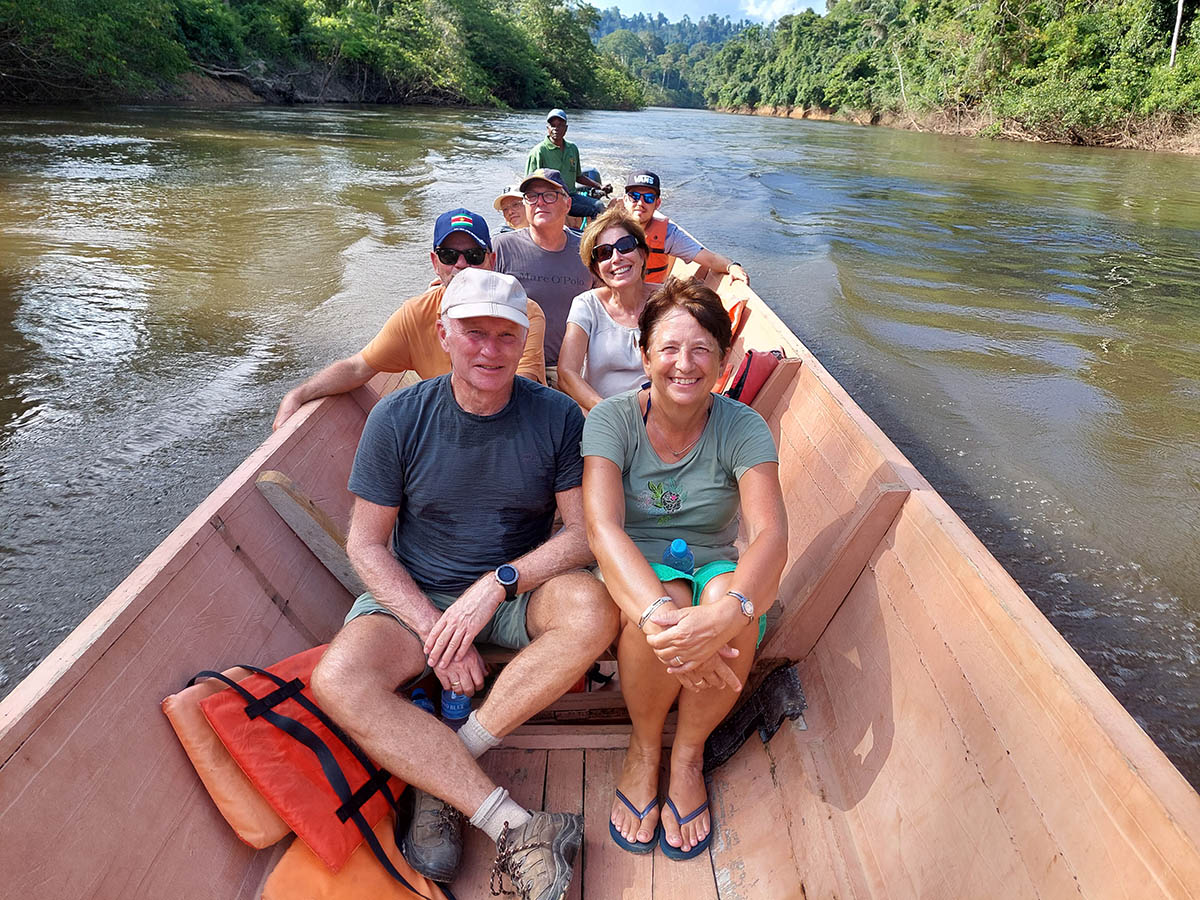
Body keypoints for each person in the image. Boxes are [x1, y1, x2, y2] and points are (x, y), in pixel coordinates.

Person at [310, 267, 618, 897]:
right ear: (443, 334)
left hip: (514, 590)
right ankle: (511, 822)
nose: (489, 350)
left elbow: (584, 534)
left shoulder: (557, 416)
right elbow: (365, 544)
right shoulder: (397, 418)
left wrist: (500, 584)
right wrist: (435, 629)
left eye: (504, 336)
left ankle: (443, 765)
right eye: (472, 333)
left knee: (594, 611)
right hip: (415, 594)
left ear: (522, 339)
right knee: (336, 680)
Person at [581, 278, 788, 861]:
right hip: (634, 566)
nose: (684, 364)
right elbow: (602, 529)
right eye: (669, 348)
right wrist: (662, 616)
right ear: (645, 354)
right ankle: (645, 750)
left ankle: (687, 756)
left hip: (713, 560)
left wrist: (728, 613)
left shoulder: (743, 426)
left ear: (723, 360)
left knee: (730, 596)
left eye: (702, 350)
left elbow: (770, 535)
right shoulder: (612, 422)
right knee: (669, 598)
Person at [273, 208, 545, 430]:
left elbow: (517, 392)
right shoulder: (416, 314)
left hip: (516, 427)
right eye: (449, 255)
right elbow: (358, 368)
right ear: (434, 262)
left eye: (473, 255)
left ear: (492, 260)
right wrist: (298, 394)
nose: (460, 265)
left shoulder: (523, 314)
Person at [493, 169, 595, 386]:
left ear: (567, 205)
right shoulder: (500, 248)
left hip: (572, 367)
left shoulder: (587, 251)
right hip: (515, 365)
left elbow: (609, 301)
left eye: (549, 195)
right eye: (531, 196)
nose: (540, 202)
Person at [557, 207, 653, 412]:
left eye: (625, 246)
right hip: (602, 415)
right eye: (604, 253)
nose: (616, 258)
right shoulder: (587, 305)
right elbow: (566, 374)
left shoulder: (667, 301)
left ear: (643, 254)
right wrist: (608, 412)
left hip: (659, 416)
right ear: (596, 269)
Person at [621, 171, 750, 287]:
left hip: (649, 301)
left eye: (648, 198)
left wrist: (732, 266)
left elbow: (710, 259)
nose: (640, 203)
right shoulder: (609, 229)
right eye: (635, 196)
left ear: (657, 204)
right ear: (625, 199)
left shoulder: (669, 235)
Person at [526, 109, 610, 220]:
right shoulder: (538, 152)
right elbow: (529, 184)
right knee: (592, 211)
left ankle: (593, 236)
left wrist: (599, 186)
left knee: (599, 206)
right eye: (553, 125)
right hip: (550, 198)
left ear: (566, 128)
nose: (556, 129)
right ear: (548, 129)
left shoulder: (572, 149)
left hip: (571, 196)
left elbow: (578, 176)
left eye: (560, 125)